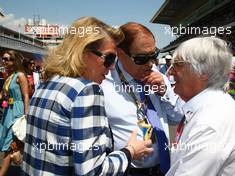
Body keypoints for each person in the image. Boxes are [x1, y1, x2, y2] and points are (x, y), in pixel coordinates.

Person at [21, 17, 153, 176]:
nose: (112, 67)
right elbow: (93, 172)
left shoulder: (46, 84)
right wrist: (130, 152)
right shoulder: (87, 91)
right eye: (109, 58)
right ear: (84, 52)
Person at [101, 22, 183, 176]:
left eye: (154, 55)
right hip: (129, 170)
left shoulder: (159, 76)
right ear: (120, 52)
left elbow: (177, 118)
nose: (151, 63)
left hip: (164, 167)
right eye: (142, 58)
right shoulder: (104, 84)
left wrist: (164, 93)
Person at [166, 36, 235, 176]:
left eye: (177, 64)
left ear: (203, 71)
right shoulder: (213, 106)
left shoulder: (210, 120)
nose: (169, 72)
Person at [0, 50, 30, 176]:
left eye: (7, 59)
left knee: (8, 145)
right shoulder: (9, 76)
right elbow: (4, 96)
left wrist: (26, 114)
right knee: (8, 144)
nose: (4, 61)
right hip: (7, 111)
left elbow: (26, 95)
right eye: (4, 59)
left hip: (16, 112)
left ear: (14, 60)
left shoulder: (20, 76)